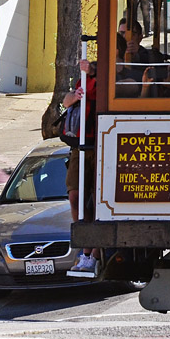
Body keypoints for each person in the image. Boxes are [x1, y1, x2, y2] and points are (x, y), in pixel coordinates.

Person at [65, 57, 100, 277]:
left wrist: (94, 70)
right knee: (75, 197)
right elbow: (67, 100)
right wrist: (74, 96)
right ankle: (86, 249)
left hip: (101, 143)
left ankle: (93, 254)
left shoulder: (104, 77)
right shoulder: (84, 79)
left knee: (99, 202)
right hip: (80, 144)